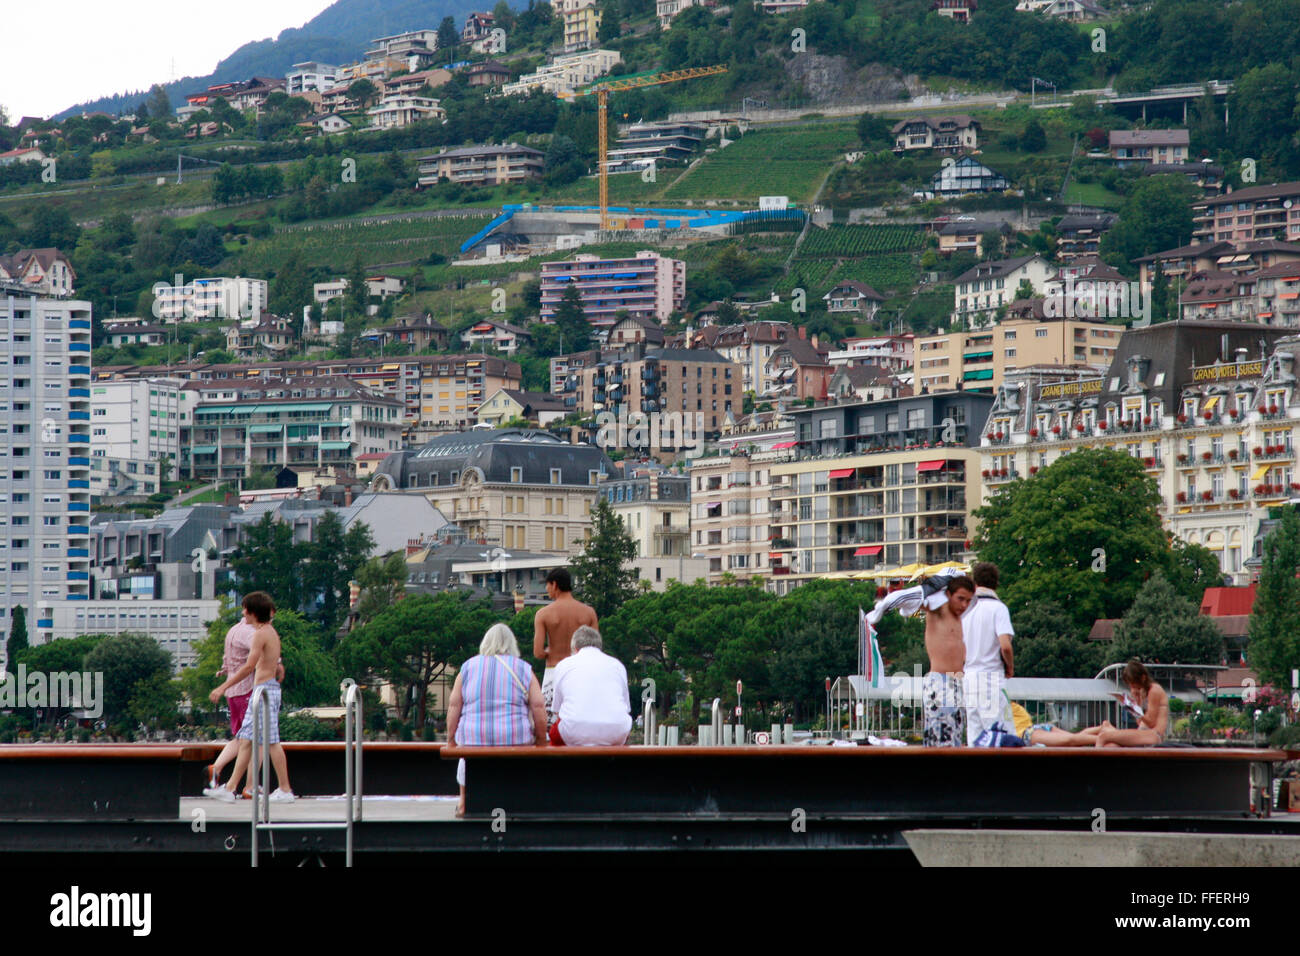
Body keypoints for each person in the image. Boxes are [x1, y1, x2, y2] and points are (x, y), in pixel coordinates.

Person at [447, 623, 548, 817]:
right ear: (512, 644)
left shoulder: (467, 668)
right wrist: (541, 738)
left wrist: (451, 739)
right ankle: (515, 803)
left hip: (473, 739)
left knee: (465, 756)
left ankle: (463, 800)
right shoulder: (524, 669)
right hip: (514, 739)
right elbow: (538, 705)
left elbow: (454, 705)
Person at [206, 592, 294, 803]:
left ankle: (285, 789)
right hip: (262, 691)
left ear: (254, 613)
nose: (243, 613)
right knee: (246, 740)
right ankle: (230, 788)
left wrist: (223, 687)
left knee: (271, 742)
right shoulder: (265, 631)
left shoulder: (261, 634)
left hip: (264, 692)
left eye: (246, 609)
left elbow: (248, 667)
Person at [533, 568, 597, 728]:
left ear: (554, 584)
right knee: (581, 724)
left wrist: (550, 650)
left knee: (550, 726)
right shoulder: (589, 612)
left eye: (547, 585)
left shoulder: (544, 614)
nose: (546, 589)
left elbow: (538, 652)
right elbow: (596, 649)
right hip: (581, 673)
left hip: (553, 672)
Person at [548, 626, 632, 746]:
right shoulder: (617, 665)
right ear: (599, 647)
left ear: (575, 648)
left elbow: (557, 710)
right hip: (616, 732)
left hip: (573, 732)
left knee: (555, 735)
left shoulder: (564, 665)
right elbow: (626, 708)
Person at [961, 562, 1016, 746]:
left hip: (968, 678)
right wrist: (1010, 666)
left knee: (975, 737)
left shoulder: (965, 610)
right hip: (991, 679)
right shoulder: (998, 608)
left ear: (974, 583)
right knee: (1000, 736)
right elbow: (1005, 646)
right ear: (996, 583)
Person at [922, 575, 975, 747]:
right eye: (960, 599)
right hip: (940, 681)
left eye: (968, 600)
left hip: (957, 682)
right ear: (948, 594)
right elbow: (919, 598)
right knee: (940, 739)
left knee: (955, 736)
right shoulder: (939, 608)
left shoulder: (961, 617)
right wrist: (937, 582)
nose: (964, 605)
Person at [1096, 660, 1168, 747]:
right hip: (1143, 732)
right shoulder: (1143, 692)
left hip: (1154, 734)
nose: (1132, 686)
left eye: (1133, 683)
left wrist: (1133, 708)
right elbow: (1140, 722)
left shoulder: (1154, 690)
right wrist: (1136, 700)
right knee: (1111, 746)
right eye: (1130, 684)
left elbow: (1151, 723)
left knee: (1103, 737)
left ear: (1143, 678)